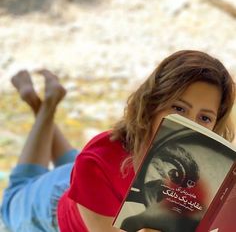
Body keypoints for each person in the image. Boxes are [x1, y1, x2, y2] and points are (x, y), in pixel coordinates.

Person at [0, 50, 235, 232]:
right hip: (49, 214)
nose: (190, 124)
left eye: (204, 117)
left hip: (86, 181)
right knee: (15, 195)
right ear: (154, 102)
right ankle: (45, 105)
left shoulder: (202, 170)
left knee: (73, 162)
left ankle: (43, 103)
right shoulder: (98, 160)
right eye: (178, 108)